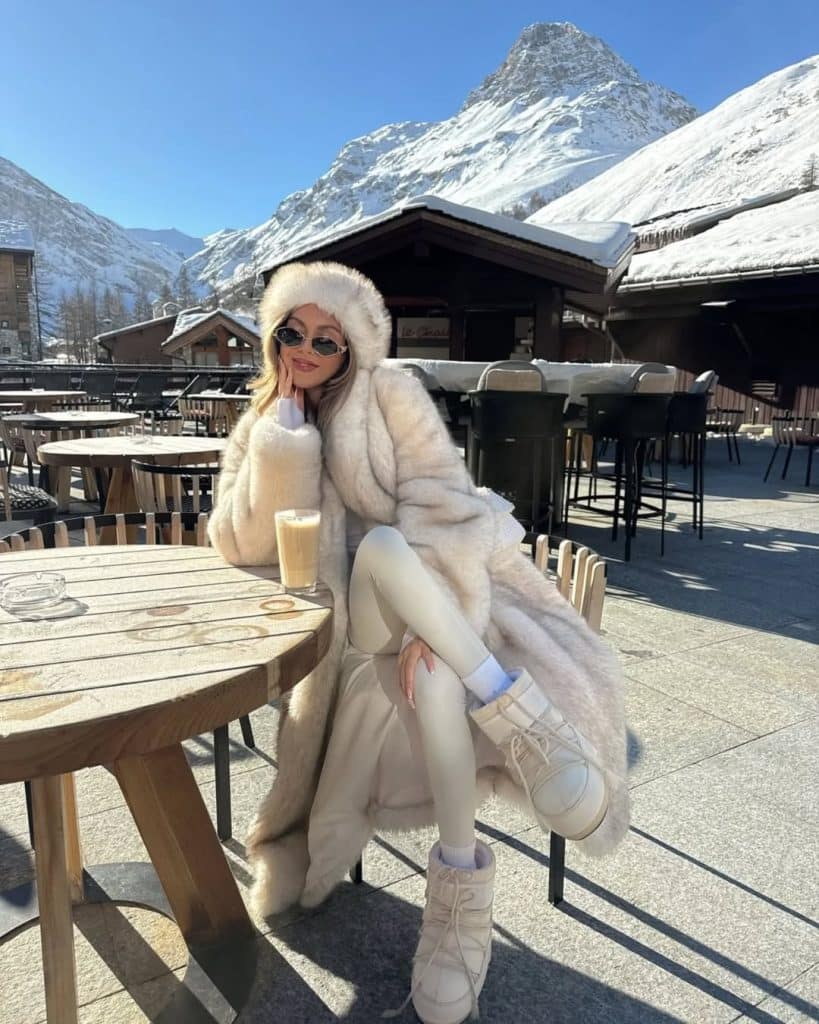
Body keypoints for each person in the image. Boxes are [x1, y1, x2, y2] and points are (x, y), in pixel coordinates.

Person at [208, 261, 629, 1024]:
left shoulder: (391, 392)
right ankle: (527, 724)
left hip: (432, 595)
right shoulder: (262, 425)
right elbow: (239, 545)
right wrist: (286, 442)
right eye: (292, 333)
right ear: (272, 337)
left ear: (352, 346)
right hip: (352, 619)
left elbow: (442, 502)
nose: (306, 349)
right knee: (380, 556)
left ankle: (457, 906)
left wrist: (433, 616)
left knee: (428, 663)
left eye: (327, 339)